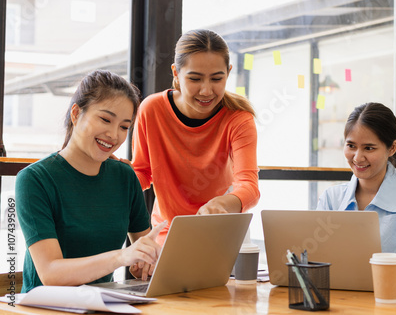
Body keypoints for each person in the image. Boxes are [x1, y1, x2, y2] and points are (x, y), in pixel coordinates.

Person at [17, 70, 166, 293]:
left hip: (102, 302)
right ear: (76, 114)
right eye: (105, 119)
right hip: (46, 307)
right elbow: (50, 273)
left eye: (124, 127)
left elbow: (142, 255)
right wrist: (122, 256)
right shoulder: (35, 180)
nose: (114, 135)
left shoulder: (125, 177)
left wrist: (145, 262)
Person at [132, 29, 260, 245]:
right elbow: (142, 172)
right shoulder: (151, 109)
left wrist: (224, 204)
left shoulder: (239, 119)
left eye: (217, 78)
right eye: (195, 79)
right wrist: (118, 180)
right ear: (176, 73)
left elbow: (249, 185)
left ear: (228, 72)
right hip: (165, 236)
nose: (206, 90)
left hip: (217, 235)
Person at [317, 102, 396, 281]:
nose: (358, 157)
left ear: (391, 148)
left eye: (369, 148)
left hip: (395, 304)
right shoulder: (331, 198)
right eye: (351, 146)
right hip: (343, 300)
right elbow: (316, 259)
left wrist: (357, 267)